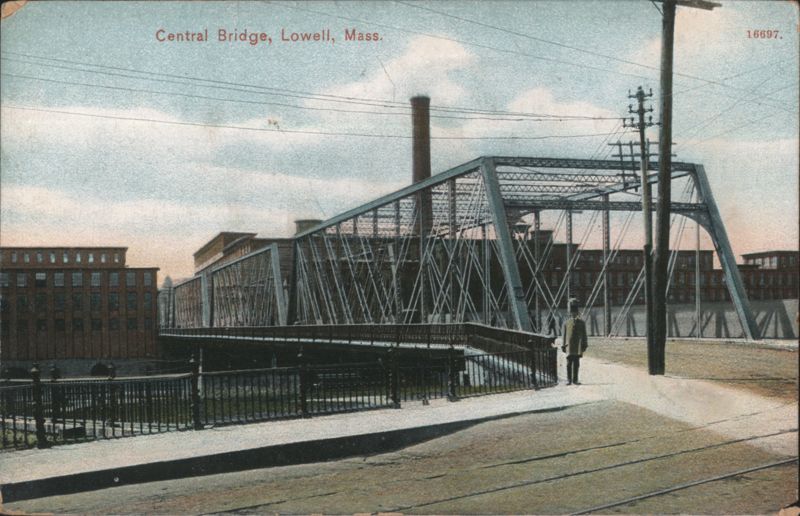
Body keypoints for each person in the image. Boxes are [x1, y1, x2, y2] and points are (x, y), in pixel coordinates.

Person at [562, 299, 588, 385]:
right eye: (572, 313)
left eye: (575, 313)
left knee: (576, 363)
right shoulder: (566, 323)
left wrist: (584, 344)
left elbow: (584, 334)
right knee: (569, 364)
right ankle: (569, 380)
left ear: (577, 313)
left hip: (577, 346)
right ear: (570, 313)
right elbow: (564, 335)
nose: (573, 314)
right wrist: (563, 345)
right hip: (569, 346)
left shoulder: (581, 323)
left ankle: (575, 379)